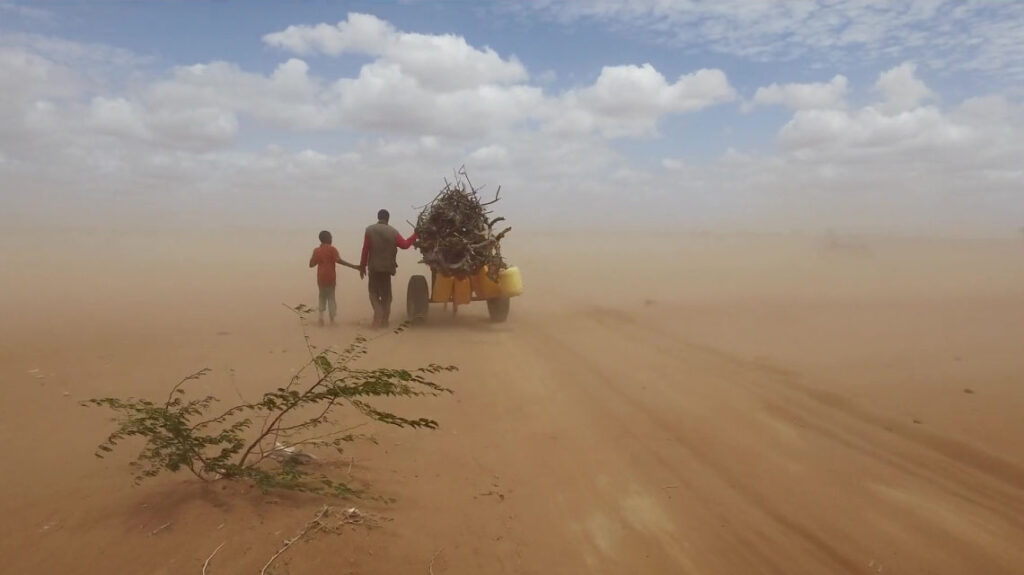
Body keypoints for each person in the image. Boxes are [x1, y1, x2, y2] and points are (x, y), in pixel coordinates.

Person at [359, 209, 417, 328]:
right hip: (387, 269)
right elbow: (405, 245)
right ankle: (384, 321)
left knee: (373, 293)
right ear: (388, 219)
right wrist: (415, 235)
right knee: (387, 297)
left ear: (378, 217)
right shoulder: (393, 232)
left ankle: (377, 313)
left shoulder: (369, 230)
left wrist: (362, 266)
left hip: (374, 268)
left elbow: (365, 249)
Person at [309, 230, 360, 326]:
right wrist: (354, 266)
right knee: (331, 298)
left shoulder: (317, 250)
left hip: (320, 278)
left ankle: (320, 318)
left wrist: (317, 258)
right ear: (328, 239)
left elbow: (311, 264)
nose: (332, 239)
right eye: (331, 237)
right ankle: (332, 321)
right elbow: (339, 261)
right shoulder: (332, 249)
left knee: (322, 296)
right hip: (330, 278)